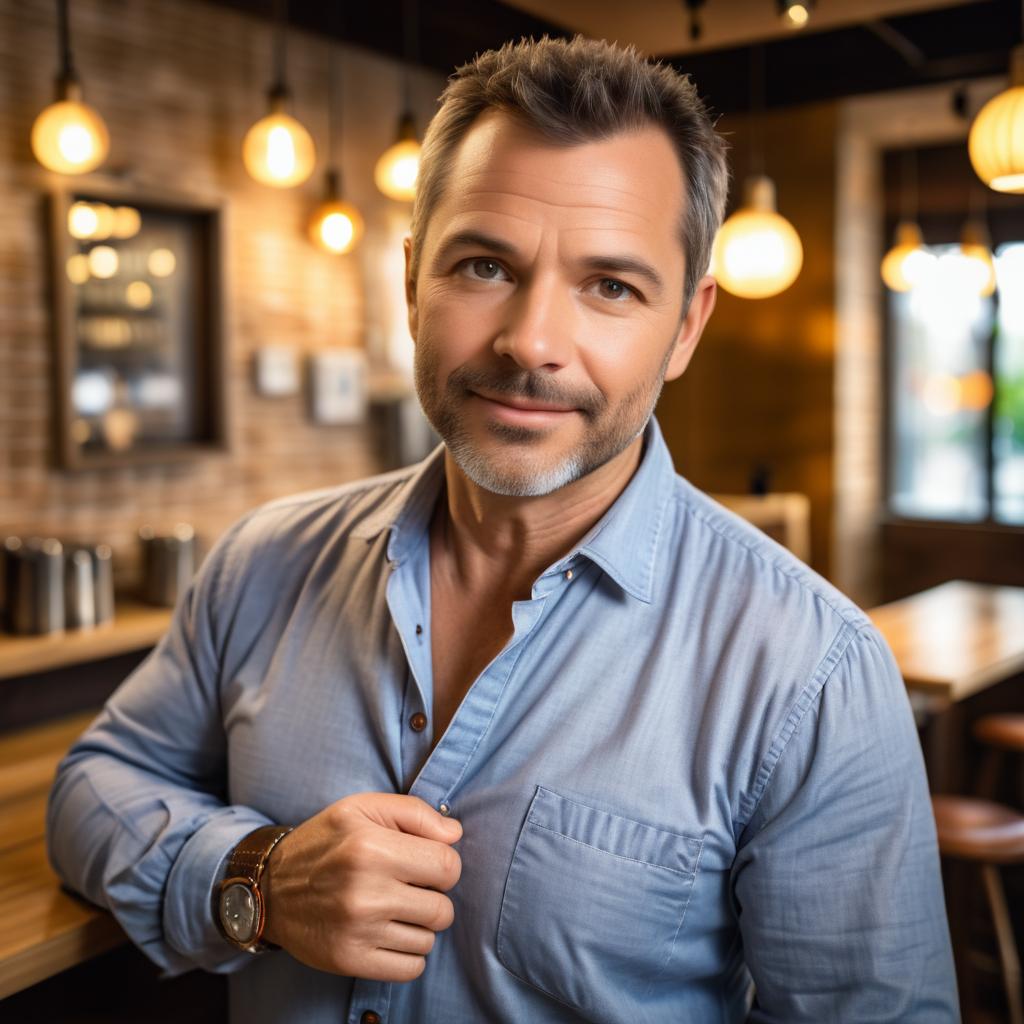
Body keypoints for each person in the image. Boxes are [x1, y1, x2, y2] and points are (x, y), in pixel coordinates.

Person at [48, 34, 958, 1024]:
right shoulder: (265, 560)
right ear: (410, 283)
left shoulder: (809, 670)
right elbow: (95, 783)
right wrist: (255, 881)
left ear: (686, 326)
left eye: (610, 285)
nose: (530, 341)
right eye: (483, 264)